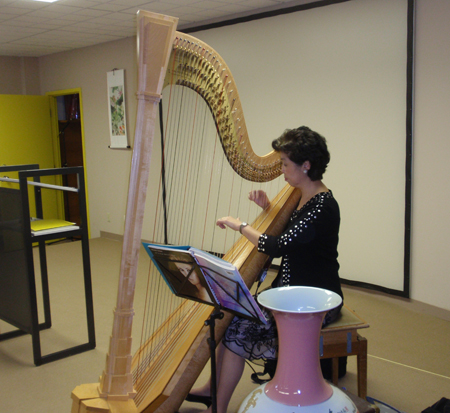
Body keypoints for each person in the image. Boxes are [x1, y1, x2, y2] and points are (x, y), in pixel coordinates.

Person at [187, 126, 344, 413]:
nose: (282, 170)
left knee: (238, 328)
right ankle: (213, 390)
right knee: (232, 316)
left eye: (285, 164)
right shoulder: (302, 195)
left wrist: (240, 225)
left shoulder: (324, 206)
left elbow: (279, 245)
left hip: (313, 301)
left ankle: (217, 408)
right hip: (288, 291)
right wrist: (269, 208)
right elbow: (296, 233)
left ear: (306, 166)